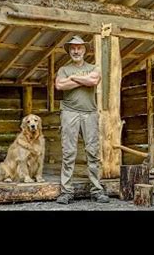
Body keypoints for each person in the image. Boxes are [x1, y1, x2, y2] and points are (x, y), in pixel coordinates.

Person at [54, 35, 110, 204]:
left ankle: (96, 190)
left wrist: (73, 78)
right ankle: (66, 192)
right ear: (69, 50)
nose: (76, 51)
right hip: (69, 113)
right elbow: (60, 85)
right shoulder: (63, 69)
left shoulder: (94, 67)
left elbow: (93, 81)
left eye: (79, 48)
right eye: (73, 48)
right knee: (68, 152)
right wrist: (82, 80)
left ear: (85, 50)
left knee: (93, 152)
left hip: (90, 113)